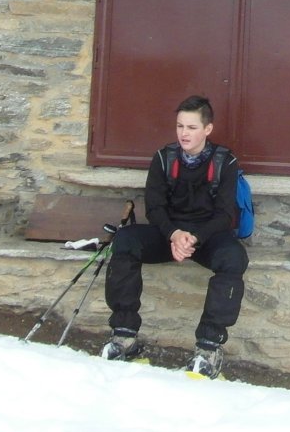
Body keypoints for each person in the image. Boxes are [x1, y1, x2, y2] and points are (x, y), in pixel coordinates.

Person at [100, 95, 247, 377]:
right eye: (180, 126)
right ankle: (124, 335)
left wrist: (193, 238)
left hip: (206, 237)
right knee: (126, 240)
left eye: (191, 127)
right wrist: (175, 234)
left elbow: (225, 214)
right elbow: (154, 207)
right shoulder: (163, 158)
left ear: (208, 129)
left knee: (233, 257)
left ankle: (209, 346)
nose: (184, 133)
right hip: (169, 233)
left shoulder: (225, 161)